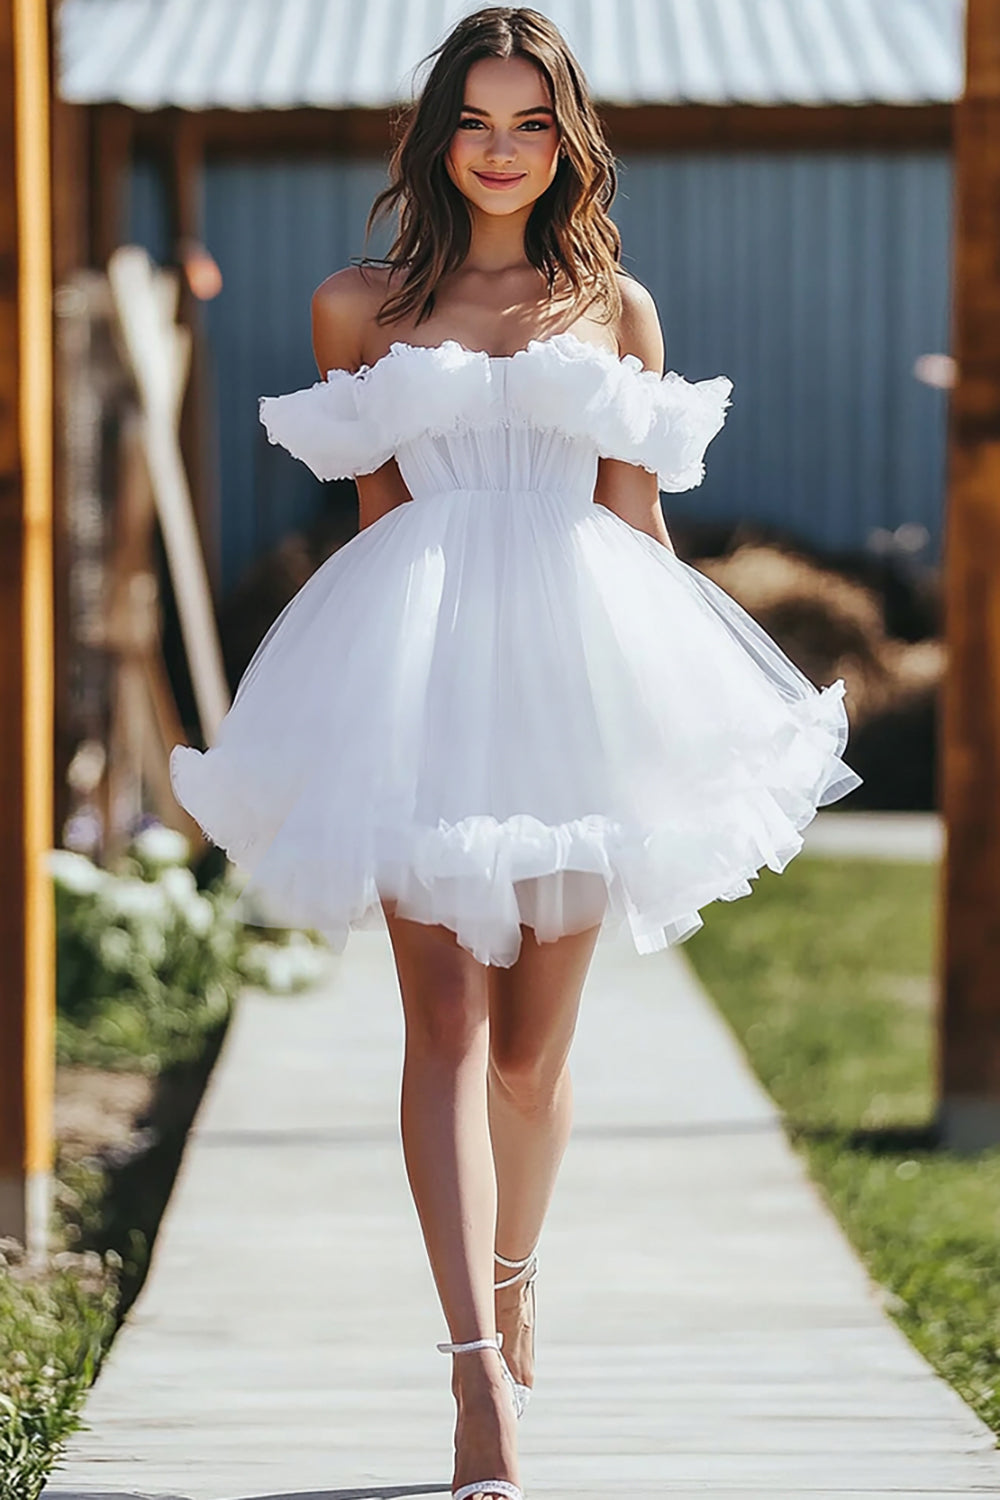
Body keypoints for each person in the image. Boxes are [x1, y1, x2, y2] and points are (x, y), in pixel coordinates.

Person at [170, 8, 862, 1497]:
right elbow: (373, 524)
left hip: (574, 668)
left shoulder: (615, 306)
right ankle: (475, 1377)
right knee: (445, 1032)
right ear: (438, 139)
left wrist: (693, 703)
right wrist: (349, 699)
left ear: (567, 141)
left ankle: (518, 1269)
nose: (500, 149)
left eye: (530, 123)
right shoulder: (356, 305)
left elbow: (637, 522)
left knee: (537, 1061)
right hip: (415, 671)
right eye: (476, 121)